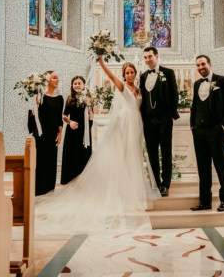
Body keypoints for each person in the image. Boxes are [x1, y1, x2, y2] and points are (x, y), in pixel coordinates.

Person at [34, 58, 160, 235]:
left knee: (134, 157)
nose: (130, 75)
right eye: (127, 73)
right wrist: (101, 62)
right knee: (122, 157)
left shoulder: (139, 90)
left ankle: (134, 191)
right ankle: (121, 193)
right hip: (124, 124)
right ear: (124, 75)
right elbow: (109, 75)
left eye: (132, 72)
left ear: (135, 74)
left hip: (136, 125)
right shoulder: (122, 86)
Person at [190, 55, 224, 212]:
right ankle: (205, 201)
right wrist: (193, 127)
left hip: (216, 130)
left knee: (220, 166)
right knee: (203, 168)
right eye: (198, 65)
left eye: (203, 64)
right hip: (199, 132)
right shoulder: (196, 84)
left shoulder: (221, 80)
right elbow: (194, 107)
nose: (201, 67)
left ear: (210, 64)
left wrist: (223, 125)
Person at [139, 46, 179, 197]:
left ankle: (165, 184)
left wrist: (170, 114)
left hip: (164, 119)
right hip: (148, 121)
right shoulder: (143, 76)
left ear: (156, 56)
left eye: (150, 56)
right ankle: (155, 182)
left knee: (166, 152)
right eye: (145, 57)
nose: (147, 60)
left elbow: (174, 95)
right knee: (152, 153)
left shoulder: (168, 73)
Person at [28, 71, 63, 196]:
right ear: (47, 80)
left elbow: (60, 119)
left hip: (53, 135)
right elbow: (33, 118)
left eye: (58, 78)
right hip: (41, 135)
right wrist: (35, 107)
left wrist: (60, 134)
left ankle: (49, 190)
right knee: (40, 161)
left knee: (51, 162)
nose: (57, 80)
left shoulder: (60, 98)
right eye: (54, 78)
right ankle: (37, 189)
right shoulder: (40, 96)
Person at [60, 76, 93, 185]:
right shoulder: (69, 99)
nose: (77, 85)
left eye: (79, 83)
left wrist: (90, 112)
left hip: (85, 133)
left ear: (84, 85)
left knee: (84, 154)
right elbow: (64, 116)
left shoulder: (89, 98)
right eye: (75, 83)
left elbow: (91, 117)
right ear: (72, 85)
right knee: (72, 154)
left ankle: (84, 181)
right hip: (72, 132)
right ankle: (71, 180)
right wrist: (70, 122)